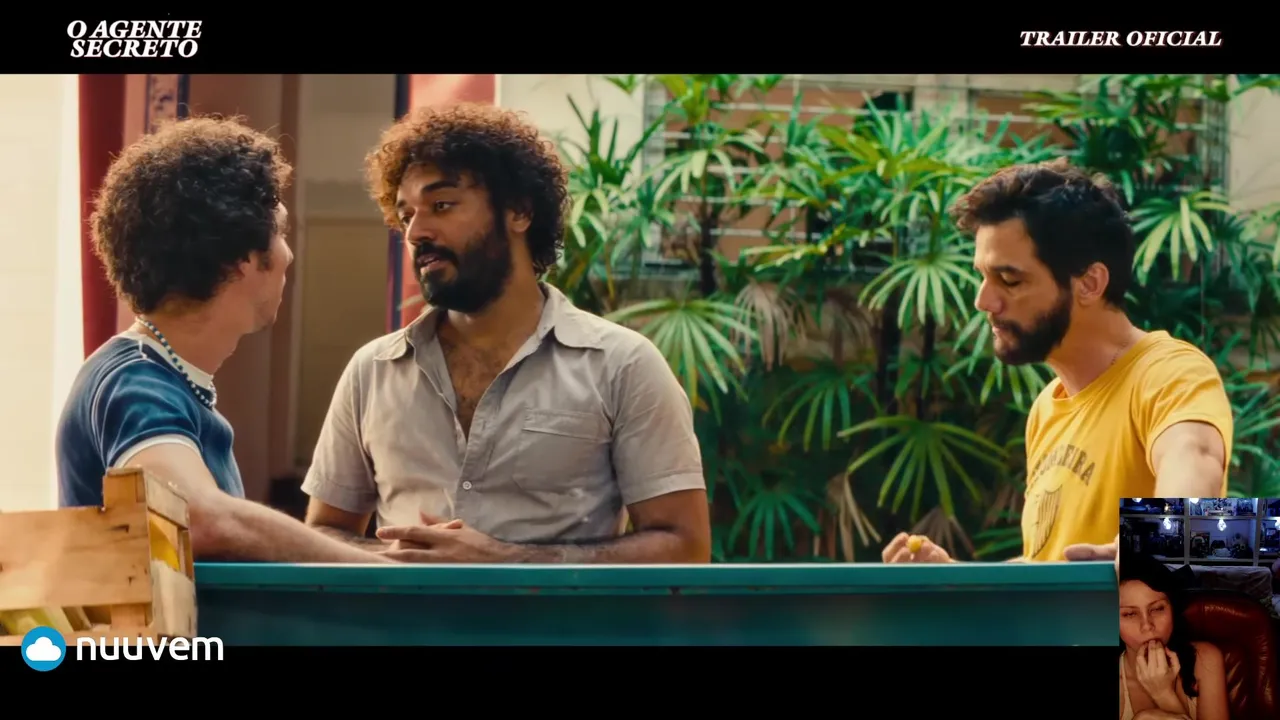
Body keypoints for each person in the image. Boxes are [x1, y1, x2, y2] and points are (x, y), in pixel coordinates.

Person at [300, 103, 711, 564]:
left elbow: (685, 547)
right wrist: (392, 562)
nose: (416, 232)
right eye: (406, 214)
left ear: (519, 211)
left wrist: (504, 559)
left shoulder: (622, 365)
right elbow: (323, 535)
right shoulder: (372, 371)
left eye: (441, 205)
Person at [56, 116, 391, 564]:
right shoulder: (135, 381)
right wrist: (384, 569)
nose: (289, 253)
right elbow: (196, 517)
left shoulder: (161, 377)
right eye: (280, 232)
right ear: (241, 258)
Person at [883, 159, 1233, 564]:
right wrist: (959, 579)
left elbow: (1194, 459)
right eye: (983, 276)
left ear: (1090, 283)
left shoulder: (1169, 372)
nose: (983, 301)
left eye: (1010, 280)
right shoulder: (1046, 410)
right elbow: (1049, 566)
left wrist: (1158, 537)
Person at [1116, 550, 1228, 720]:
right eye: (1130, 614)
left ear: (1173, 610)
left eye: (1157, 609)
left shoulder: (1205, 659)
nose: (1147, 626)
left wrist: (1163, 694)